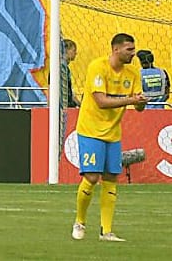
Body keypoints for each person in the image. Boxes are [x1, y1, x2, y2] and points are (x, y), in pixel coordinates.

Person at [72, 32, 147, 242]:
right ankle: (80, 221)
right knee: (92, 177)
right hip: (90, 130)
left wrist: (141, 101)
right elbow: (101, 102)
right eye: (129, 49)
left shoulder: (133, 73)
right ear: (116, 49)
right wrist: (131, 99)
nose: (133, 53)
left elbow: (138, 108)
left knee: (111, 178)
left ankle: (106, 231)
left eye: (133, 49)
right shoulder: (97, 67)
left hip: (113, 133)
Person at [60, 38, 79, 110]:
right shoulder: (58, 68)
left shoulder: (66, 68)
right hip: (63, 107)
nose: (76, 53)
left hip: (67, 106)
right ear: (66, 51)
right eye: (74, 50)